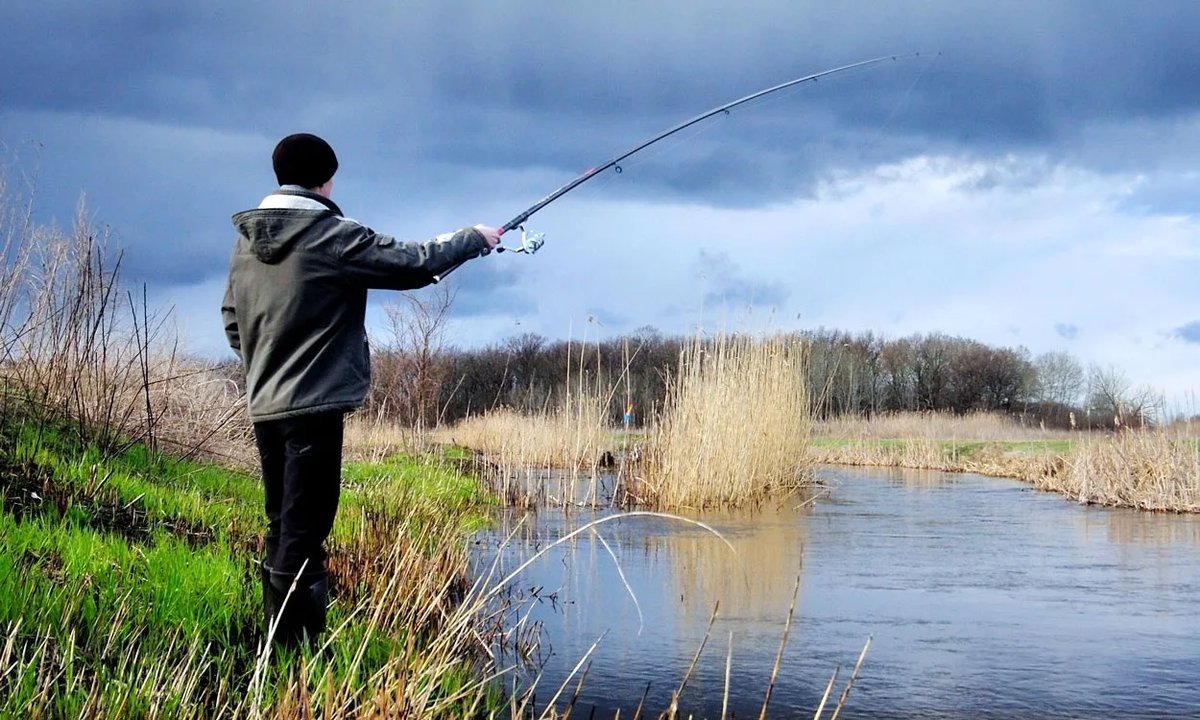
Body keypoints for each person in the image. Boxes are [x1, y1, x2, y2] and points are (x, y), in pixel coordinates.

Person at [221, 133, 500, 647]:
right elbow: (414, 262)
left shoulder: (247, 242)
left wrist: (267, 363)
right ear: (325, 179)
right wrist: (475, 237)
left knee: (284, 522)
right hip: (314, 407)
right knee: (306, 529)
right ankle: (293, 651)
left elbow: (232, 321)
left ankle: (280, 646)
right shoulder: (329, 232)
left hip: (265, 405)